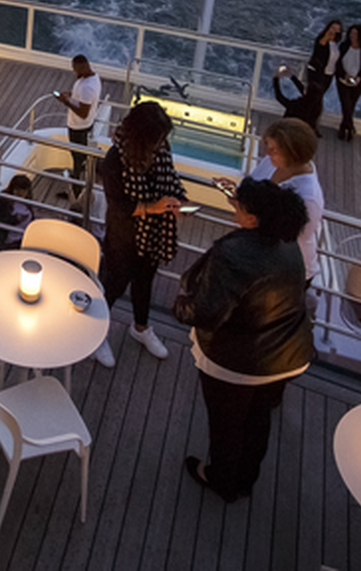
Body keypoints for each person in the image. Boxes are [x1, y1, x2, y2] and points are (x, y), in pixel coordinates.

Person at [173, 177, 314, 501]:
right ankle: (246, 478)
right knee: (258, 418)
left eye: (238, 205)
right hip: (288, 353)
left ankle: (222, 480)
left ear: (252, 219)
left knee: (227, 424)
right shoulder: (287, 241)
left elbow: (205, 311)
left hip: (239, 361)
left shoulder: (234, 255)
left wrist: (180, 306)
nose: (234, 206)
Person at [96, 100, 189, 366]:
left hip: (153, 234)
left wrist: (177, 201)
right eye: (157, 138)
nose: (161, 144)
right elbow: (119, 206)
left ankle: (140, 327)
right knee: (113, 285)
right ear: (142, 138)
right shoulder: (115, 161)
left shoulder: (160, 148)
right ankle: (97, 333)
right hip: (123, 236)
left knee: (144, 282)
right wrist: (154, 207)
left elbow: (169, 178)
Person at [218, 117, 324, 284]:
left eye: (274, 150)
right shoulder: (272, 162)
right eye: (268, 146)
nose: (267, 153)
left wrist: (247, 215)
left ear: (293, 153)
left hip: (288, 273)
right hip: (260, 260)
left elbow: (289, 240)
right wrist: (239, 196)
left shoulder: (308, 198)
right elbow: (255, 192)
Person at [51, 54, 103, 170]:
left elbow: (83, 114)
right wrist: (71, 94)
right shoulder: (93, 77)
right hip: (85, 125)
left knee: (78, 157)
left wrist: (65, 102)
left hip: (79, 127)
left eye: (77, 70)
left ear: (84, 68)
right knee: (80, 155)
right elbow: (83, 98)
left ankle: (77, 183)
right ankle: (80, 175)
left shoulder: (87, 88)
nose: (75, 73)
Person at [333, 23, 361, 141]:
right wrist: (344, 74)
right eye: (351, 33)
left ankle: (344, 126)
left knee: (351, 105)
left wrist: (359, 77)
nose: (352, 35)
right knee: (345, 103)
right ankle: (349, 128)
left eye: (355, 34)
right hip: (342, 80)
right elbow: (338, 62)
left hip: (358, 82)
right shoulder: (344, 46)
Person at [303, 19, 344, 120]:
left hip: (328, 74)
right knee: (314, 99)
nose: (334, 31)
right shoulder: (322, 39)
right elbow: (321, 45)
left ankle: (311, 121)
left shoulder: (336, 44)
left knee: (318, 98)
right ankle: (308, 120)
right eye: (332, 28)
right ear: (328, 28)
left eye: (337, 29)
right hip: (317, 73)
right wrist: (327, 35)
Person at [0, 174, 35, 244]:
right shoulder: (4, 199)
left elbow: (32, 216)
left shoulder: (28, 201)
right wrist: (16, 219)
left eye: (24, 190)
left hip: (23, 236)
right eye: (18, 189)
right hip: (7, 237)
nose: (21, 192)